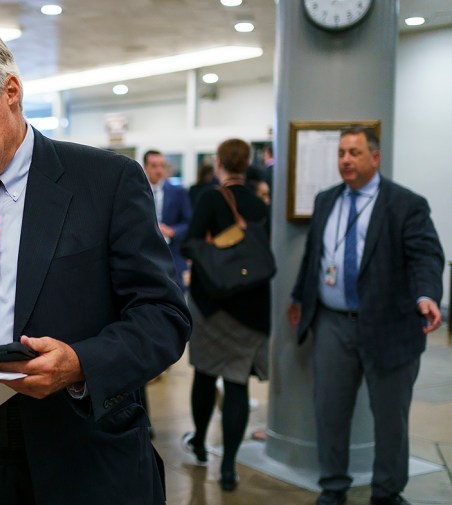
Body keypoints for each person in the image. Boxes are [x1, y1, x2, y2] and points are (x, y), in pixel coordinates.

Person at [0, 20, 191, 505]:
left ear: (11, 92)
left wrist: (81, 363)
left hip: (76, 458)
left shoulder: (105, 183)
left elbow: (163, 317)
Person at [288, 127, 444, 505]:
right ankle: (333, 487)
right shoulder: (326, 200)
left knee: (390, 419)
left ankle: (387, 492)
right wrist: (298, 297)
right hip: (332, 324)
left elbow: (426, 255)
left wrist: (427, 295)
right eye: (341, 152)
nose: (345, 160)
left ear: (375, 157)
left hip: (390, 326)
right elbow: (314, 258)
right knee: (330, 412)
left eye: (354, 153)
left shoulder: (406, 204)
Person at [179, 138, 271, 492]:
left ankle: (200, 442)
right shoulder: (262, 203)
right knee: (236, 381)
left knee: (205, 374)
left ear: (218, 163)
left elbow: (189, 243)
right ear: (247, 163)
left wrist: (214, 244)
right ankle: (229, 467)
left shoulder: (210, 197)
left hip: (211, 303)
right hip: (252, 306)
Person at [143, 149, 192, 290]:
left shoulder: (179, 192)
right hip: (147, 253)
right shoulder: (138, 192)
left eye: (162, 165)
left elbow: (188, 222)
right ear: (145, 167)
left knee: (177, 292)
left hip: (173, 253)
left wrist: (173, 231)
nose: (159, 170)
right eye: (154, 166)